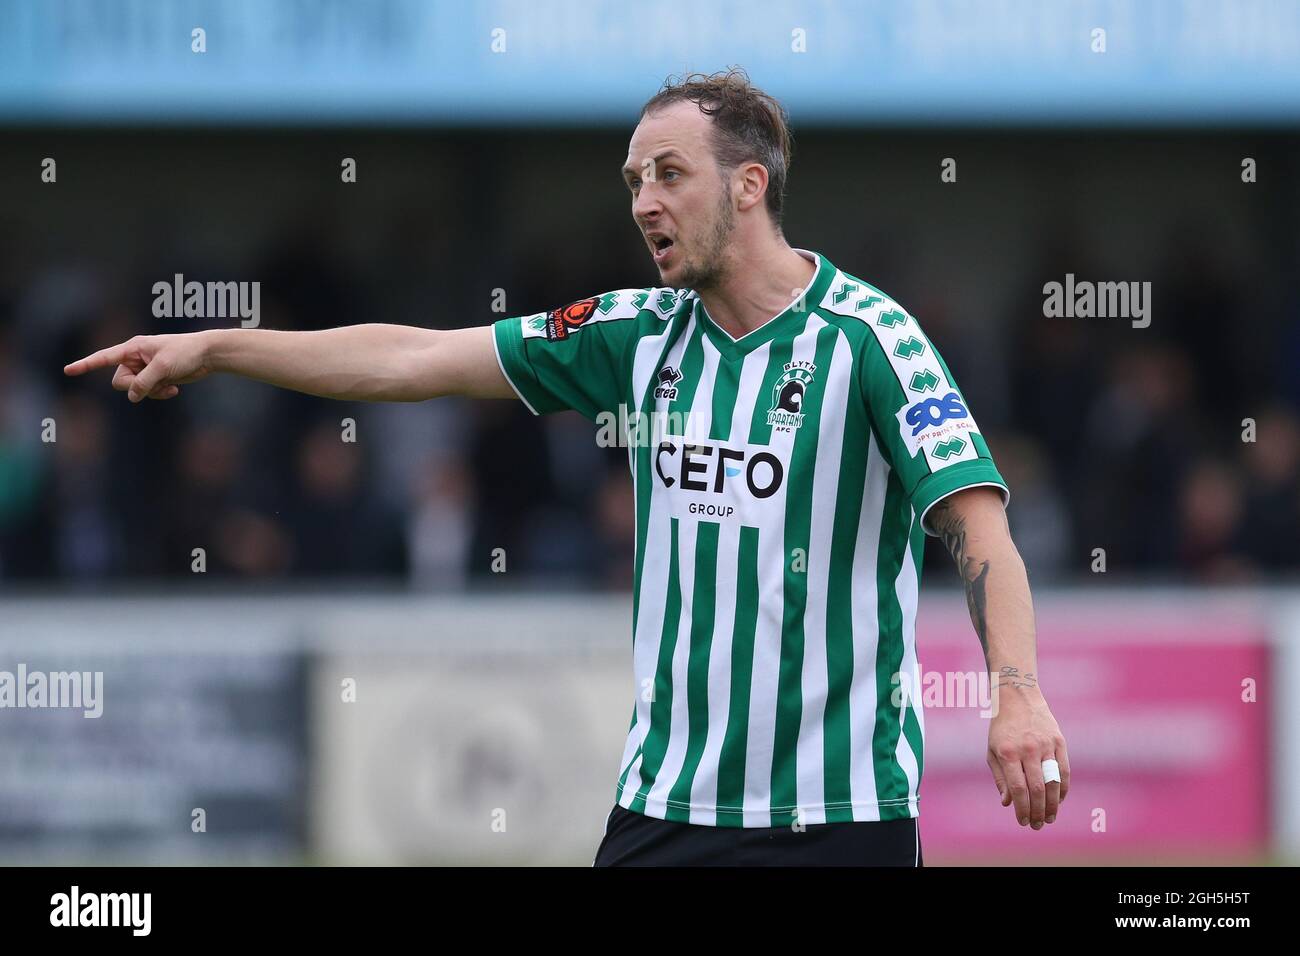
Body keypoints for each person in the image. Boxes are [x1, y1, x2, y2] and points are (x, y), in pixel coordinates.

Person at [65, 68, 1069, 866]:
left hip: (838, 812)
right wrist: (222, 347)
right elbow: (416, 356)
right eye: (633, 180)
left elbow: (979, 528)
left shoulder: (871, 340)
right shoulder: (632, 334)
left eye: (669, 173)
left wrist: (1015, 689)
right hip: (665, 807)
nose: (644, 201)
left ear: (748, 184)